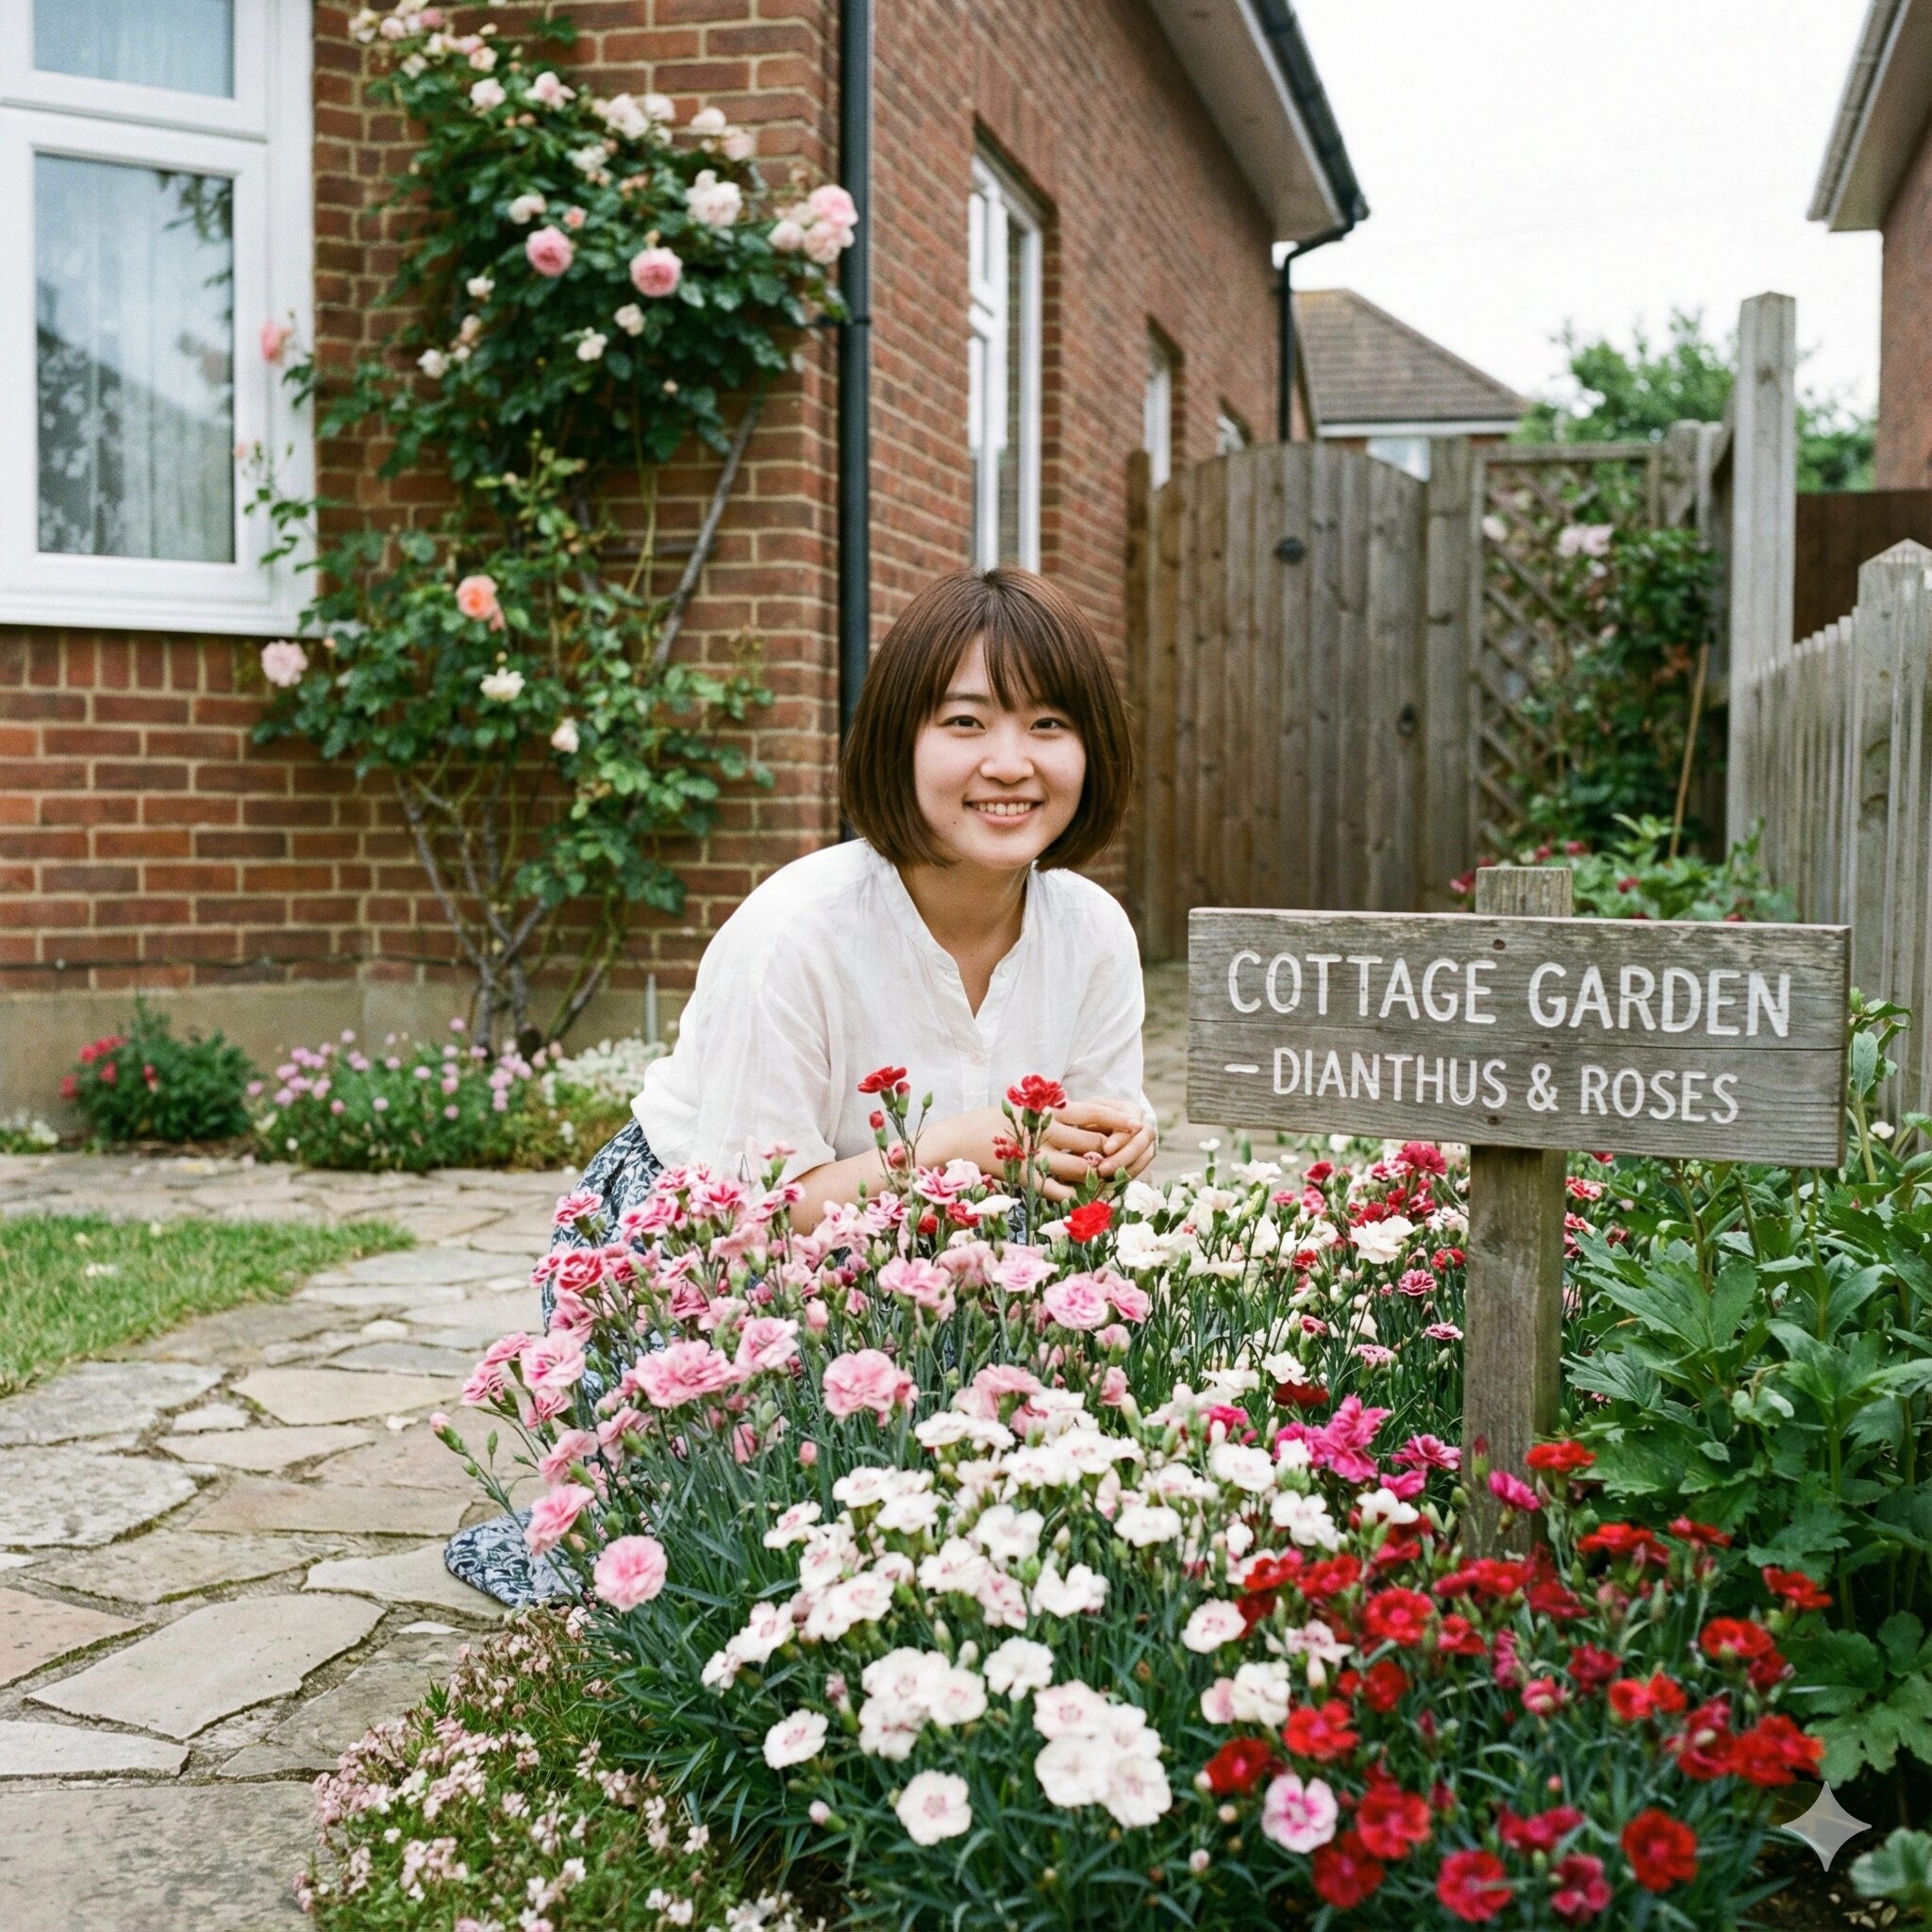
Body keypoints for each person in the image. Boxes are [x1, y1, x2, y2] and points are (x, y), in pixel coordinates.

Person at [444, 566, 1158, 1602]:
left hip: (929, 1264)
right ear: (898, 742)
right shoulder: (796, 932)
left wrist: (1115, 1145)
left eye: (1047, 723)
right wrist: (957, 1147)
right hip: (691, 1263)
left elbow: (1081, 1176)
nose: (1009, 763)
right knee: (749, 1565)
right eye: (965, 720)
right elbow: (741, 1226)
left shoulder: (1092, 930)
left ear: (1090, 748)